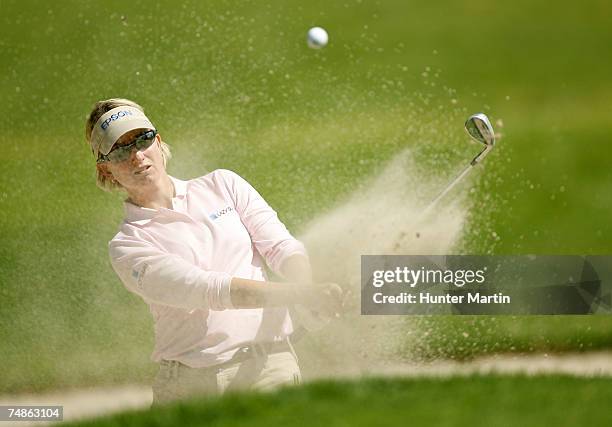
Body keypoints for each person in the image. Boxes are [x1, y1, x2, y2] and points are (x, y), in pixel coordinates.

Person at [85, 98, 342, 404]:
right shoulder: (128, 246)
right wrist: (297, 296)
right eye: (122, 149)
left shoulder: (223, 184)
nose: (138, 156)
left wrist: (305, 286)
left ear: (158, 141)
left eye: (143, 139)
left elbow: (281, 246)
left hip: (270, 366)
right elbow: (209, 289)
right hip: (192, 384)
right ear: (106, 167)